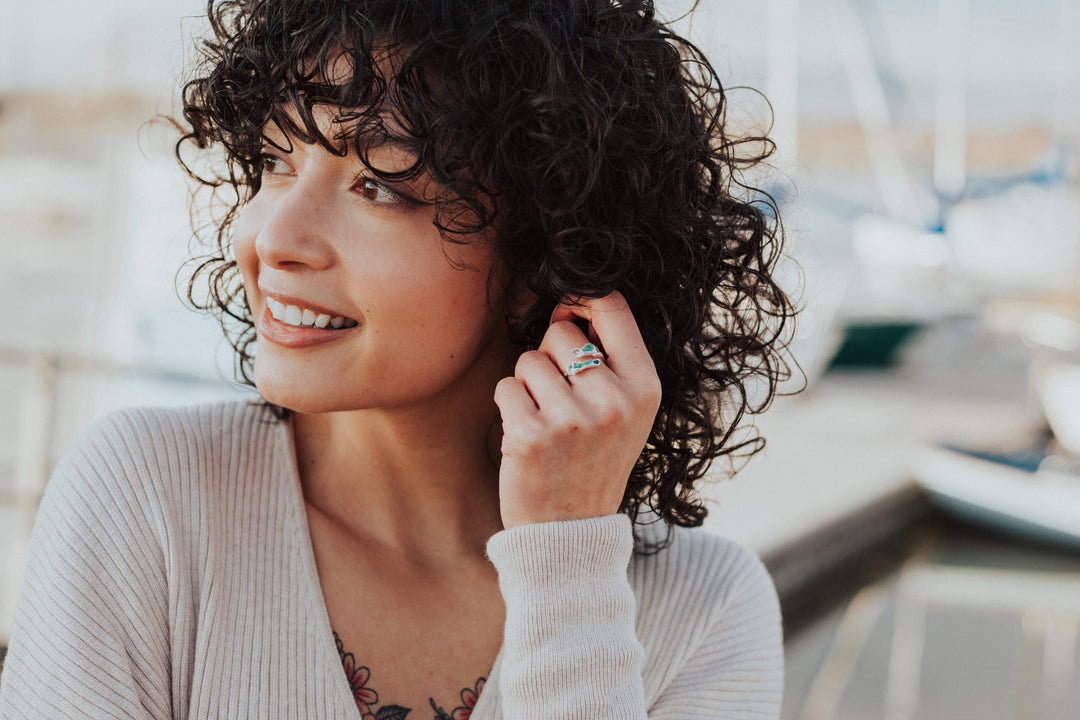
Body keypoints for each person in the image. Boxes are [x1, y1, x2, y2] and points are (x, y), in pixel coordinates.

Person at [0, 1, 794, 718]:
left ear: (543, 256)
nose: (272, 237)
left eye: (379, 185)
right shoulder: (147, 503)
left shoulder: (705, 610)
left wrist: (568, 565)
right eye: (275, 161)